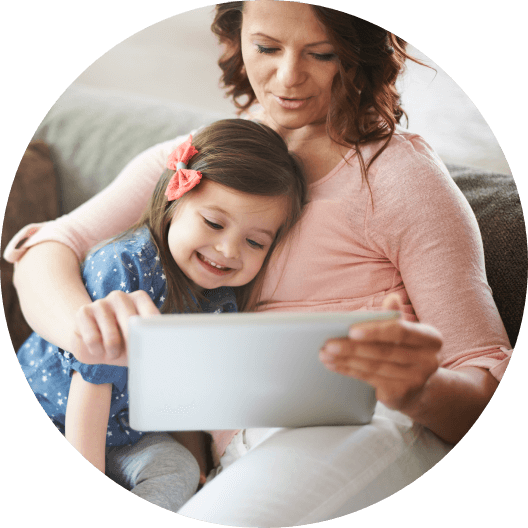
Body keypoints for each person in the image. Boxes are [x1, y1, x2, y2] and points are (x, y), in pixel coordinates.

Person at [6, 1, 512, 524]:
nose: (289, 77)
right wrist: (84, 328)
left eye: (321, 53)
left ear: (360, 54)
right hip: (232, 447)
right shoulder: (207, 158)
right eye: (267, 48)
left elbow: (483, 377)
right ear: (235, 35)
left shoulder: (399, 178)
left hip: (365, 421)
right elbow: (45, 250)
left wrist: (419, 388)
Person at [14, 118, 306, 513]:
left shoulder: (221, 296)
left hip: (126, 432)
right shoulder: (125, 266)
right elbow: (92, 385)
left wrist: (202, 469)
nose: (228, 250)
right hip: (59, 410)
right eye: (214, 223)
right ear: (174, 201)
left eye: (254, 242)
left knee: (178, 469)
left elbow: (183, 394)